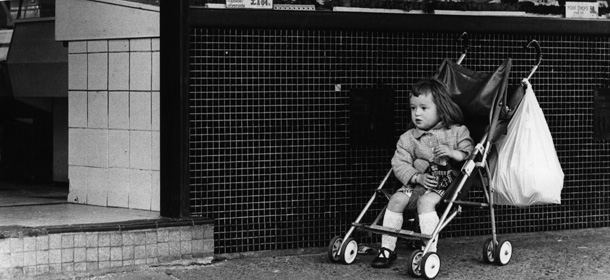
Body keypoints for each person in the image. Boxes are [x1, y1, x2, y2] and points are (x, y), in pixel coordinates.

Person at [371, 78, 474, 268]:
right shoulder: (409, 138)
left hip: (445, 185)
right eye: (413, 108)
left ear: (441, 108)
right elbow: (399, 162)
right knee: (395, 200)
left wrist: (453, 153)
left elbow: (470, 151)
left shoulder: (456, 131)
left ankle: (428, 250)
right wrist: (416, 176)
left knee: (425, 202)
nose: (417, 113)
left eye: (423, 108)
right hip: (417, 183)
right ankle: (387, 249)